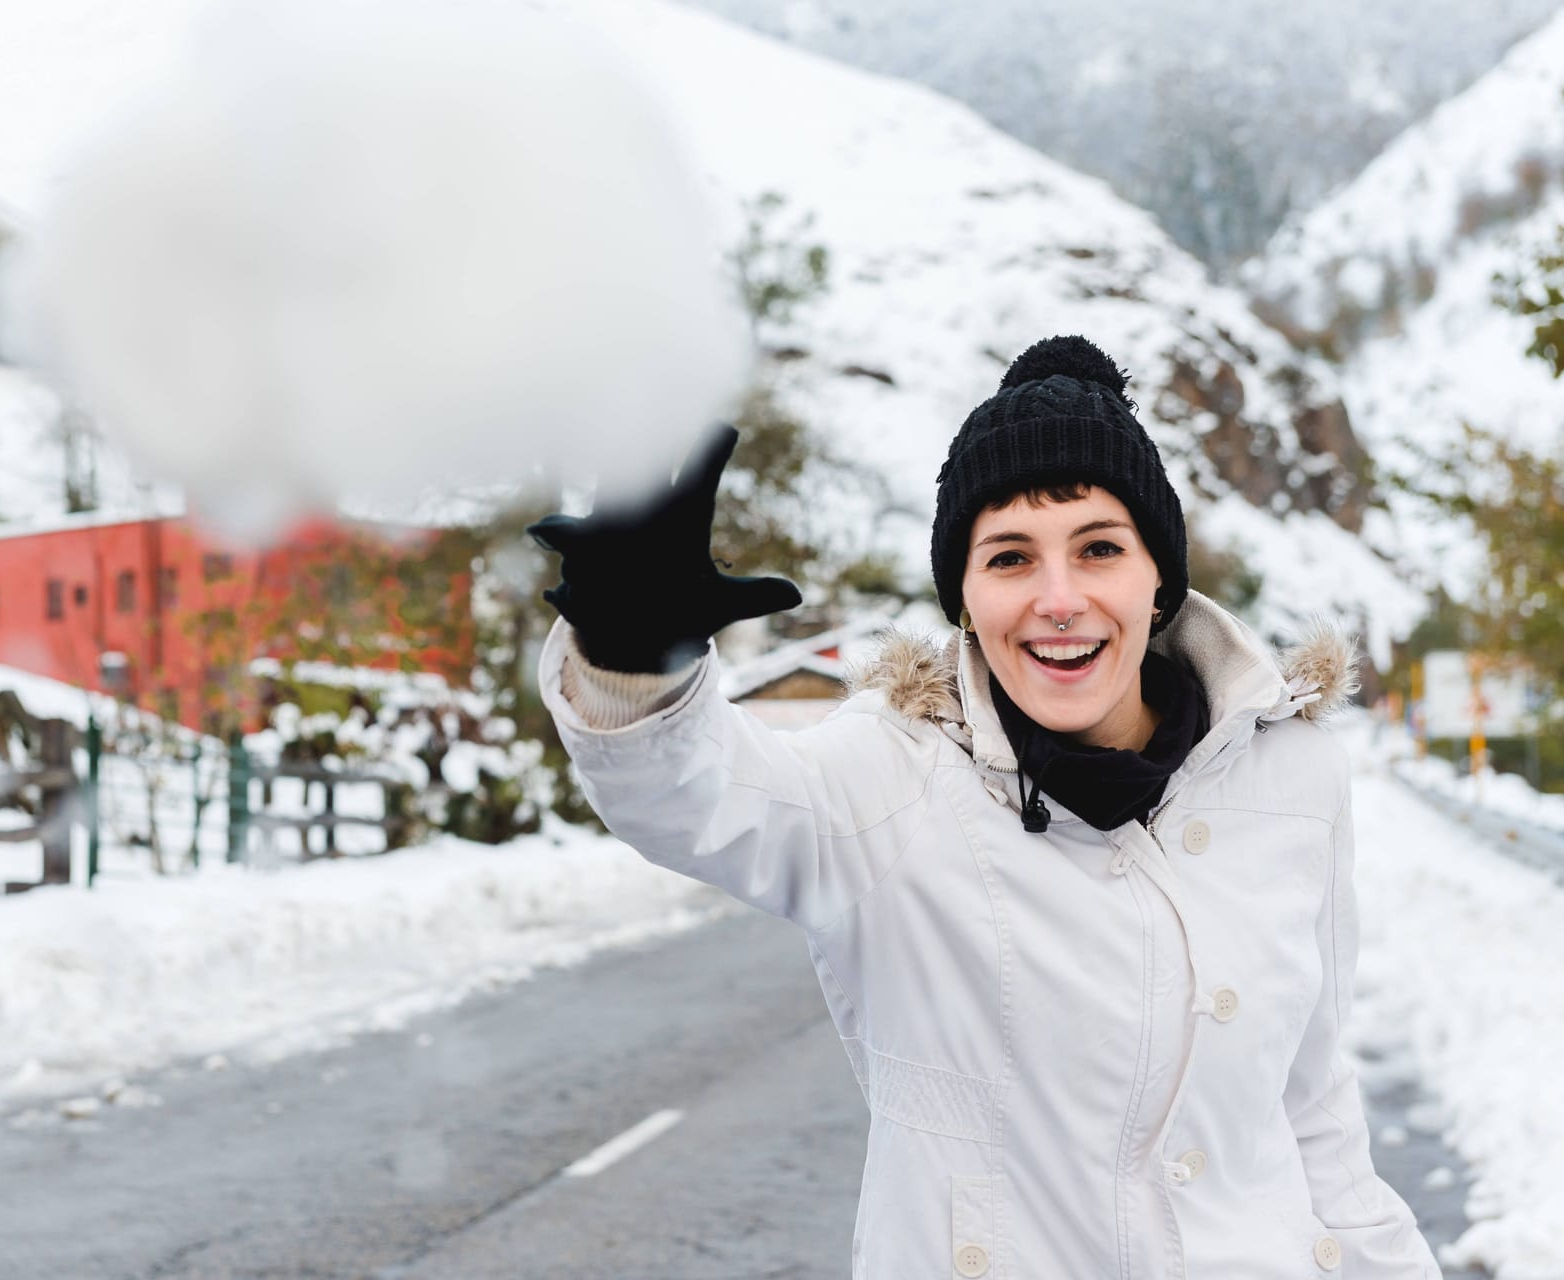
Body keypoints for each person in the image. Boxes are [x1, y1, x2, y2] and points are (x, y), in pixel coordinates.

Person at [528, 335, 1439, 1278]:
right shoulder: (897, 777)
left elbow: (1315, 1107)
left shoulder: (1295, 777)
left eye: (1098, 549)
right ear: (963, 598)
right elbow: (695, 796)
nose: (1058, 599)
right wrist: (631, 657)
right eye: (1008, 558)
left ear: (1157, 577)